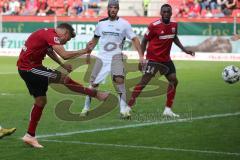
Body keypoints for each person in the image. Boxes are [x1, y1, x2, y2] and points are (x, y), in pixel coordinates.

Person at [17, 23, 109, 148]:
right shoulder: (51, 35)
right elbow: (64, 54)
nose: (65, 42)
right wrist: (85, 50)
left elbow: (49, 51)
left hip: (30, 67)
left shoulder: (47, 33)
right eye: (68, 39)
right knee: (63, 78)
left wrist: (63, 65)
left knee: (41, 101)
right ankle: (96, 94)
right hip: (30, 68)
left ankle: (30, 136)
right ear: (65, 33)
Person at [126, 4, 195, 118]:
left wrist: (184, 50)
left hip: (166, 60)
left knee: (174, 81)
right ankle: (127, 108)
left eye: (168, 12)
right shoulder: (154, 26)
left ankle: (167, 110)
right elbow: (144, 41)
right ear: (161, 13)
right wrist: (141, 57)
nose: (166, 14)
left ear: (171, 13)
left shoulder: (174, 25)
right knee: (144, 82)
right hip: (153, 59)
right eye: (164, 12)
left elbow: (174, 37)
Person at [81, 0, 144, 118]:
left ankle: (123, 111)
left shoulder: (124, 24)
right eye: (111, 7)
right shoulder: (101, 24)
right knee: (93, 84)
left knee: (120, 81)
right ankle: (86, 108)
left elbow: (135, 39)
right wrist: (88, 54)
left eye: (116, 7)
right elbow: (94, 40)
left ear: (118, 9)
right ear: (108, 9)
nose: (113, 9)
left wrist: (141, 56)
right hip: (102, 58)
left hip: (116, 56)